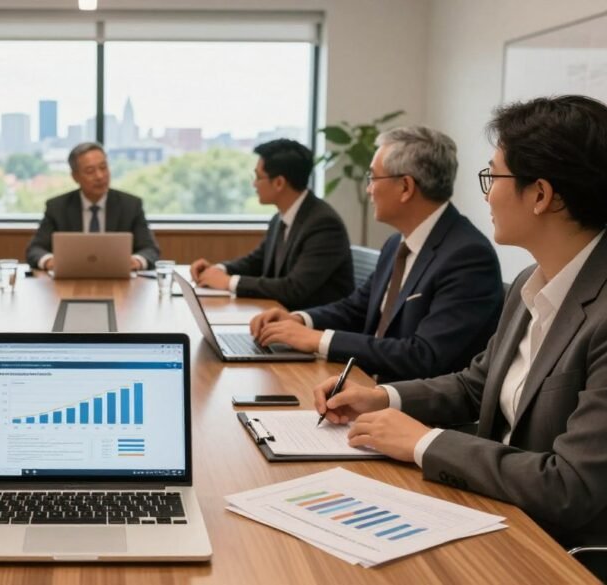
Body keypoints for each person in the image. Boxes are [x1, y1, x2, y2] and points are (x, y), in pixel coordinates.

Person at [312, 95, 607, 549]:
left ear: (542, 195)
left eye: (494, 176)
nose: (486, 194)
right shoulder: (532, 280)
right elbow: (476, 385)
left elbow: (569, 486)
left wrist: (424, 443)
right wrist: (380, 398)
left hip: (555, 548)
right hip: (490, 510)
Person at [250, 126, 503, 382]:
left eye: (373, 178)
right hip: (367, 386)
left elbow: (423, 356)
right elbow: (357, 308)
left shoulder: (467, 257)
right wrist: (300, 319)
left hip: (413, 409)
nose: (368, 189)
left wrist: (319, 340)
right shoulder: (397, 243)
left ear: (405, 187)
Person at [190, 139, 354, 308]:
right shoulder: (281, 217)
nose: (254, 184)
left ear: (279, 183)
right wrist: (219, 270)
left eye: (258, 177)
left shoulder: (324, 224)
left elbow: (294, 288)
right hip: (282, 315)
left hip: (314, 326)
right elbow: (256, 262)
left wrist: (229, 282)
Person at [25, 142, 160, 270]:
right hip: (70, 281)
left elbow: (150, 250)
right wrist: (49, 261)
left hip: (120, 283)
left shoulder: (130, 205)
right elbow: (35, 249)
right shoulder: (57, 207)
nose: (100, 176)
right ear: (75, 177)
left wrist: (136, 261)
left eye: (103, 167)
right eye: (90, 171)